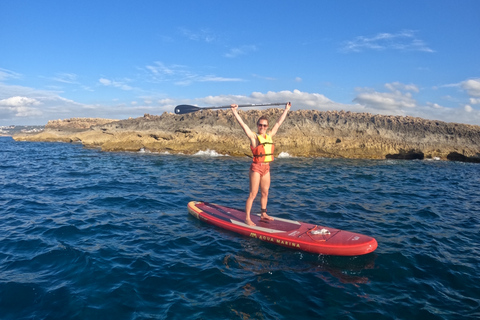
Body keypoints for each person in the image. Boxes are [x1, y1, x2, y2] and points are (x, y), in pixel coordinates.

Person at [231, 102, 291, 226]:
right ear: (257, 126)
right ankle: (247, 218)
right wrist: (234, 112)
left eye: (264, 125)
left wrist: (286, 109)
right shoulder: (254, 137)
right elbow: (243, 125)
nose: (262, 127)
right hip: (256, 168)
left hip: (266, 168)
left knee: (265, 192)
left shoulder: (269, 135)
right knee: (253, 194)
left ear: (267, 126)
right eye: (260, 125)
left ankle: (263, 213)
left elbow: (279, 123)